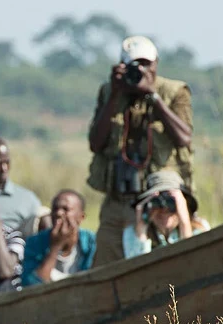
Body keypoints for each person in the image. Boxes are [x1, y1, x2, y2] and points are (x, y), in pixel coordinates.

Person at [86, 35, 195, 267]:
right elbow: (95, 143)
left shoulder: (174, 92)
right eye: (135, 65)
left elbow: (184, 137)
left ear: (156, 64)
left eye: (147, 64)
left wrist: (152, 96)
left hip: (158, 201)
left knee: (162, 267)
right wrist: (115, 96)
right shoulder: (109, 92)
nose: (142, 70)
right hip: (118, 198)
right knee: (105, 267)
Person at [122, 170, 210, 258]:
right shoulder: (132, 233)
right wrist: (141, 230)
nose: (164, 210)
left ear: (184, 205)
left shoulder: (200, 228)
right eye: (156, 203)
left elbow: (196, 263)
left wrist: (185, 224)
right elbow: (137, 269)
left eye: (171, 202)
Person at [21, 190, 96, 286]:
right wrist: (55, 247)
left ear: (81, 217)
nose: (59, 213)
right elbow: (31, 287)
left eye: (66, 209)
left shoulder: (92, 243)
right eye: (55, 209)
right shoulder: (35, 242)